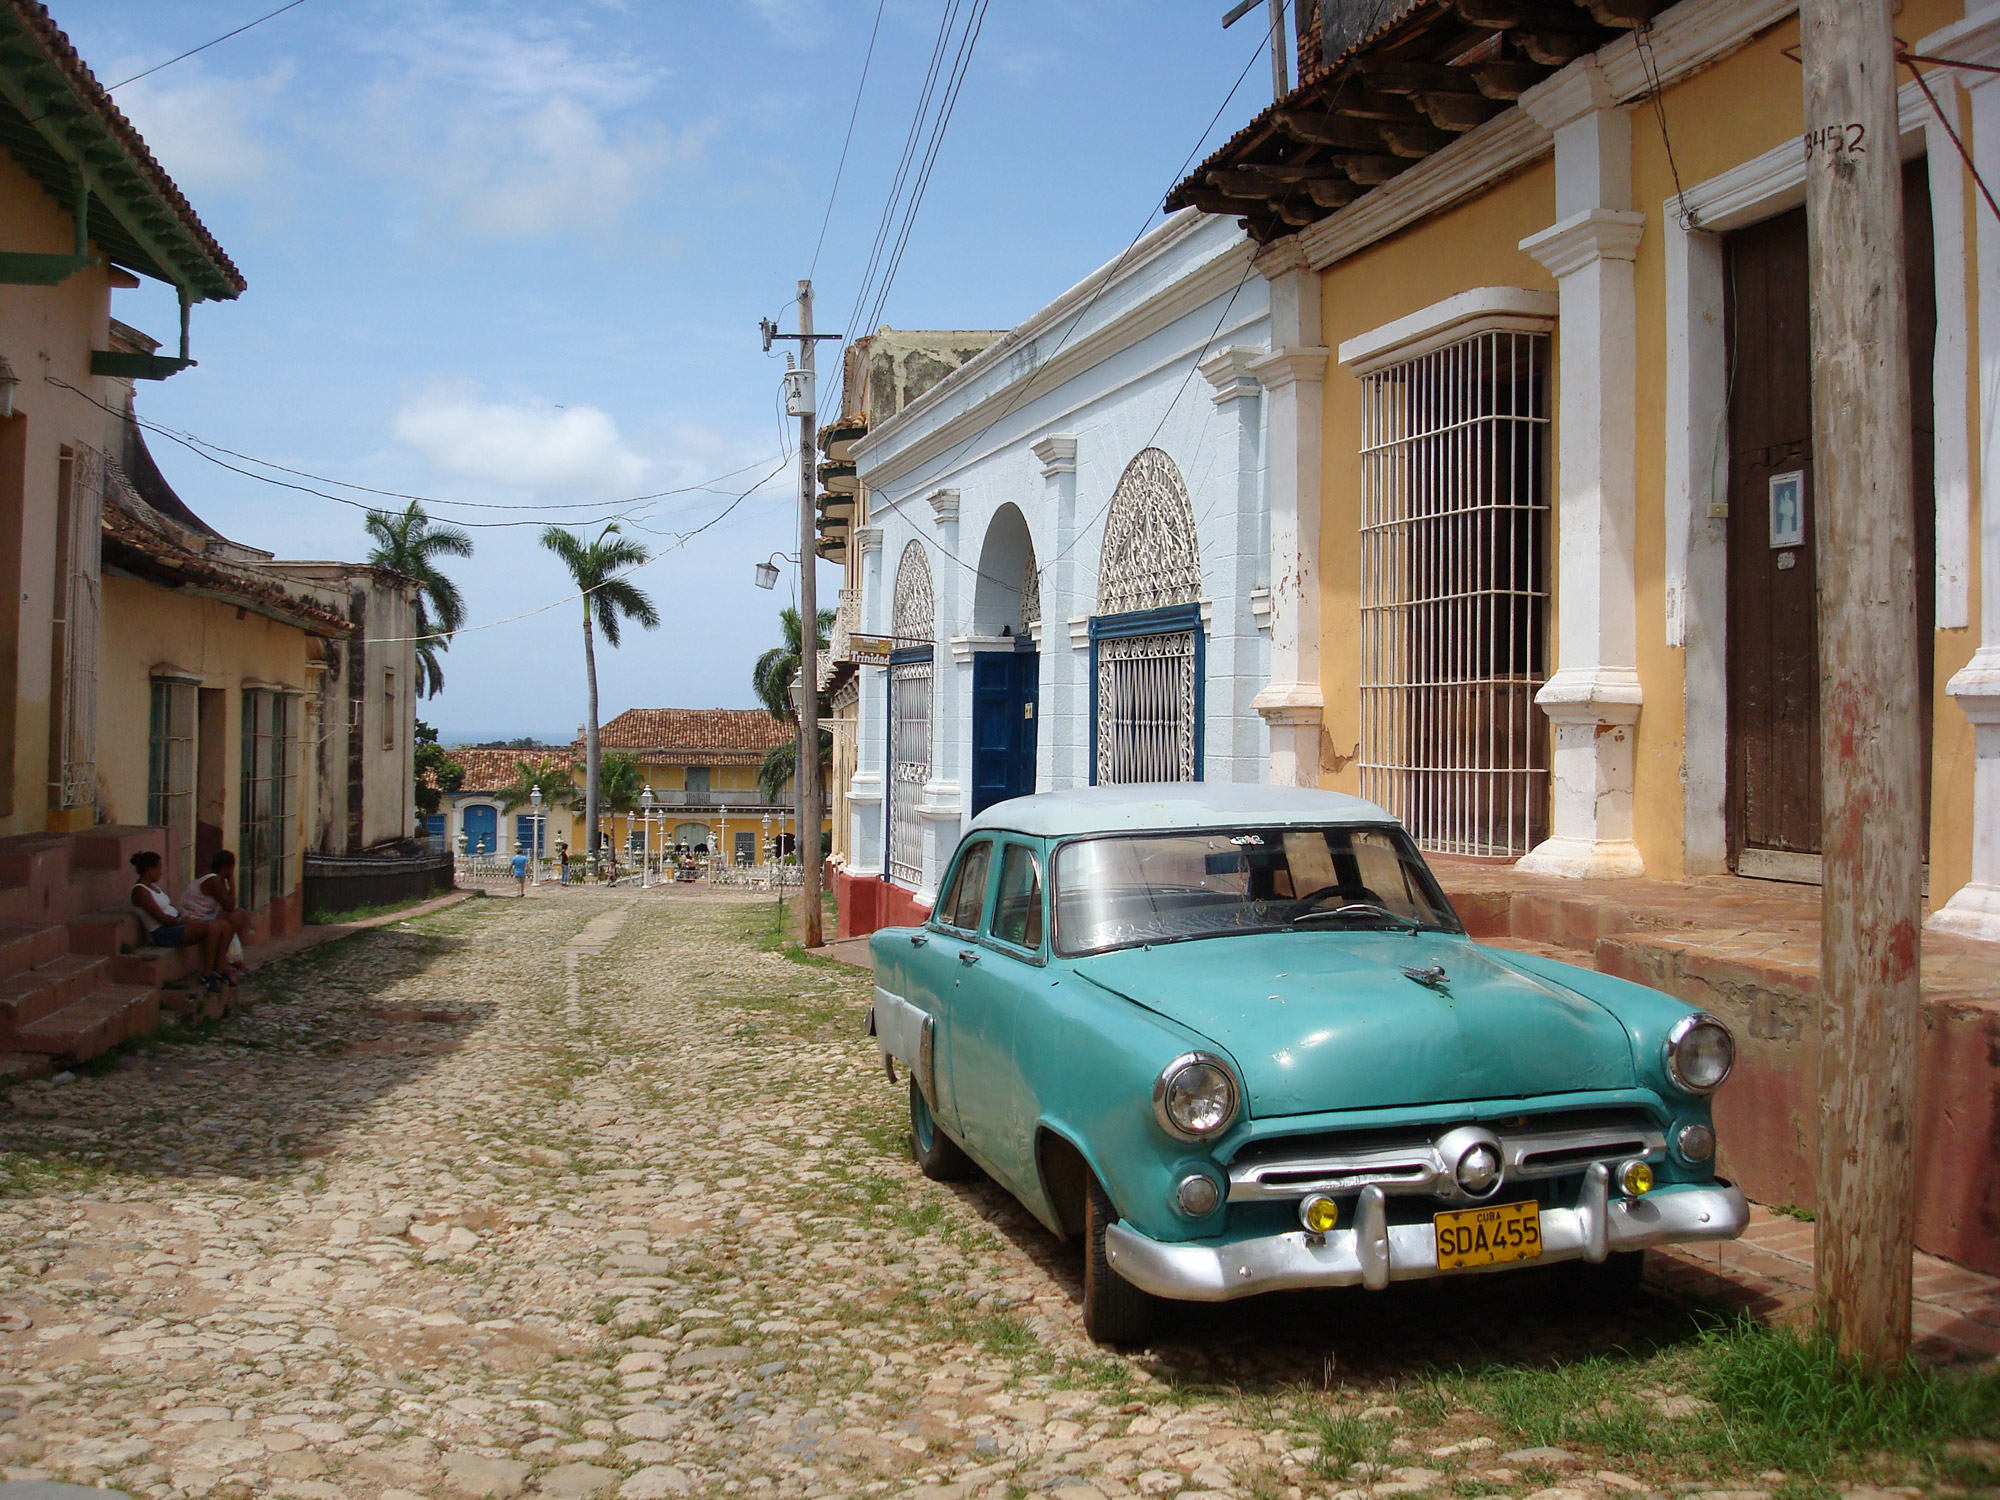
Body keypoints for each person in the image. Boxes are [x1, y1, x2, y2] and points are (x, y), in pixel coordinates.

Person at [130, 851, 228, 990]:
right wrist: (185, 921)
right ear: (149, 869)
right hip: (164, 932)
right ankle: (206, 974)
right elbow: (162, 918)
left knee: (223, 925)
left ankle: (219, 969)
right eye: (159, 868)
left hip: (176, 924)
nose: (161, 872)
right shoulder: (140, 891)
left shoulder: (153, 887)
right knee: (211, 928)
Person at [177, 850, 254, 979]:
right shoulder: (214, 881)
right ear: (229, 867)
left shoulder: (213, 878)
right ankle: (223, 962)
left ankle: (231, 961)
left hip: (202, 916)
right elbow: (230, 906)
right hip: (194, 917)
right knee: (235, 916)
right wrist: (232, 883)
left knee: (238, 916)